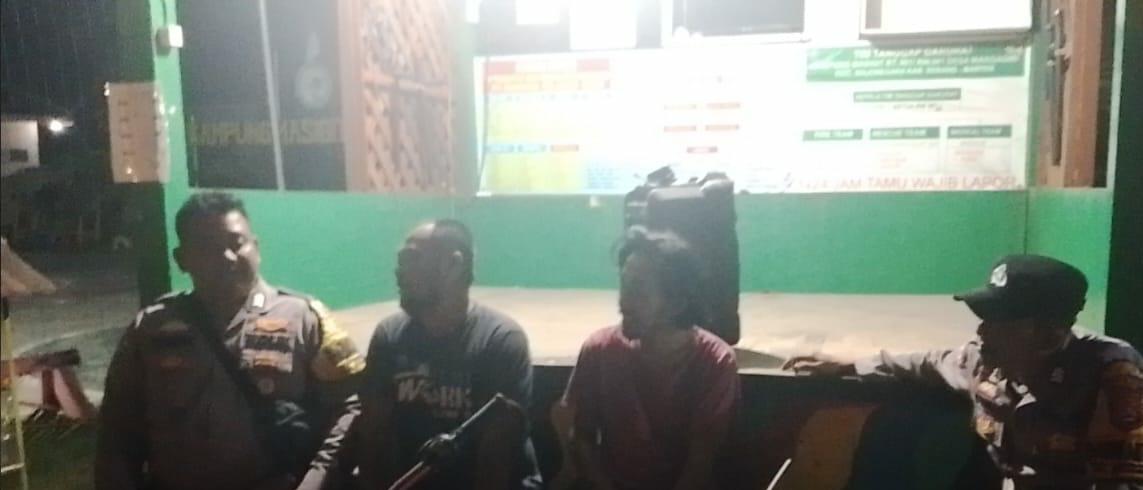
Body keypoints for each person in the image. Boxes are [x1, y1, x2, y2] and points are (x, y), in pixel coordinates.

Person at [785, 254, 1143, 490]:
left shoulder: (1109, 376)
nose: (982, 331)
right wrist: (848, 365)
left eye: (1000, 322)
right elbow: (926, 362)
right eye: (984, 318)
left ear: (1049, 335)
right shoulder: (981, 362)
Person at [96, 192, 365, 490]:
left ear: (256, 247)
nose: (227, 257)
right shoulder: (150, 329)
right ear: (182, 260)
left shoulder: (306, 318)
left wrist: (316, 481)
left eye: (237, 243)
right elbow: (117, 432)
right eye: (207, 247)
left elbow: (351, 409)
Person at [355, 219, 542, 490]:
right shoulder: (389, 337)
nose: (399, 271)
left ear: (454, 265)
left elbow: (495, 461)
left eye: (411, 259)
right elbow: (375, 438)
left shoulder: (500, 341)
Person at [560, 227, 741, 490]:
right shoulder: (599, 350)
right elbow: (580, 438)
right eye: (624, 285)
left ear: (677, 303)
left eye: (638, 290)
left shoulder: (716, 362)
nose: (623, 301)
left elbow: (700, 463)